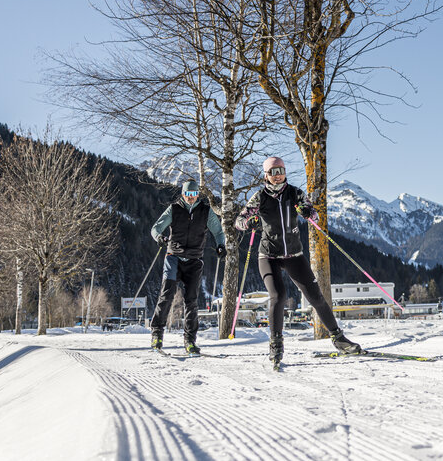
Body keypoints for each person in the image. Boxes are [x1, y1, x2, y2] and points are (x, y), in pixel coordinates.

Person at [236, 156, 362, 368]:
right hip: (269, 256)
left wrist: (308, 212)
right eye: (273, 172)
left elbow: (314, 214)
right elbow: (239, 221)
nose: (278, 176)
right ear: (266, 175)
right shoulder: (259, 197)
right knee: (279, 296)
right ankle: (276, 345)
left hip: (294, 255)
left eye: (281, 171)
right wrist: (250, 222)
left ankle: (339, 339)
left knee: (316, 298)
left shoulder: (294, 193)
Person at [150, 179, 226, 354]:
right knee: (166, 295)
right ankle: (157, 335)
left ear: (197, 194)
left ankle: (190, 341)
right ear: (183, 194)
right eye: (187, 194)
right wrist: (159, 238)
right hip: (173, 258)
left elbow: (218, 232)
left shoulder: (206, 211)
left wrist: (221, 245)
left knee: (191, 301)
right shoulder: (174, 209)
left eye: (193, 194)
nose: (190, 197)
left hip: (194, 260)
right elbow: (156, 228)